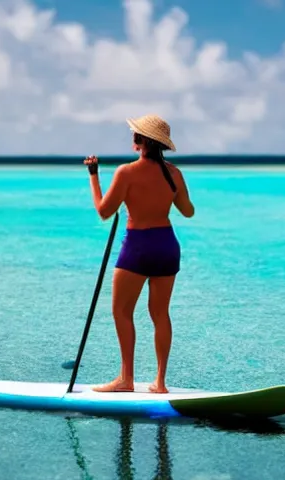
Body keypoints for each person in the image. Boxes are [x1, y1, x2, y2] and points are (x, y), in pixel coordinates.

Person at [84, 114, 195, 393]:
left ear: (141, 141)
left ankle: (126, 379)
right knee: (160, 314)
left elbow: (103, 212)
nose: (132, 138)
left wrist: (94, 176)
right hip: (167, 245)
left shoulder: (126, 172)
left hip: (138, 246)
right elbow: (188, 211)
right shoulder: (175, 174)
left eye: (135, 135)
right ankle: (160, 382)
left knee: (122, 311)